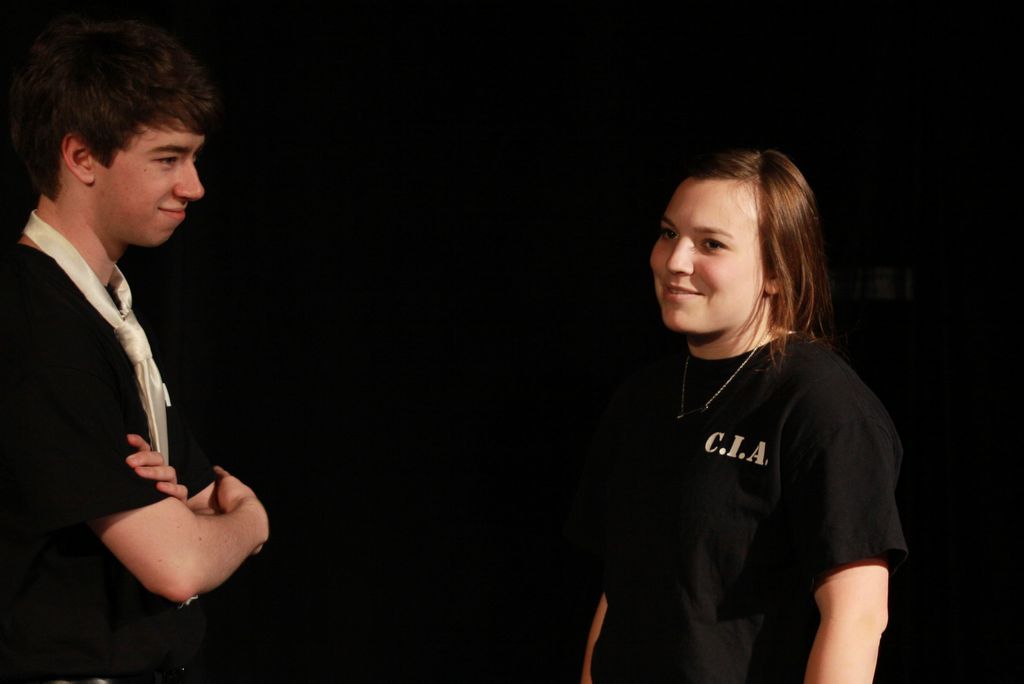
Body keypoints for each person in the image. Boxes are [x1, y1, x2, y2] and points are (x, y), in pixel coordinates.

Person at [565, 149, 907, 683]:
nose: (675, 261)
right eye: (669, 233)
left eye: (711, 244)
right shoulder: (642, 398)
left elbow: (857, 617)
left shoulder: (822, 406)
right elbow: (621, 592)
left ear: (777, 271)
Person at [0, 15, 269, 682]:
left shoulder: (104, 309)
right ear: (81, 157)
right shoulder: (37, 323)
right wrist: (252, 522)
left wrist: (197, 519)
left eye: (194, 159)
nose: (194, 186)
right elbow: (179, 562)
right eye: (168, 159)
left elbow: (200, 496)